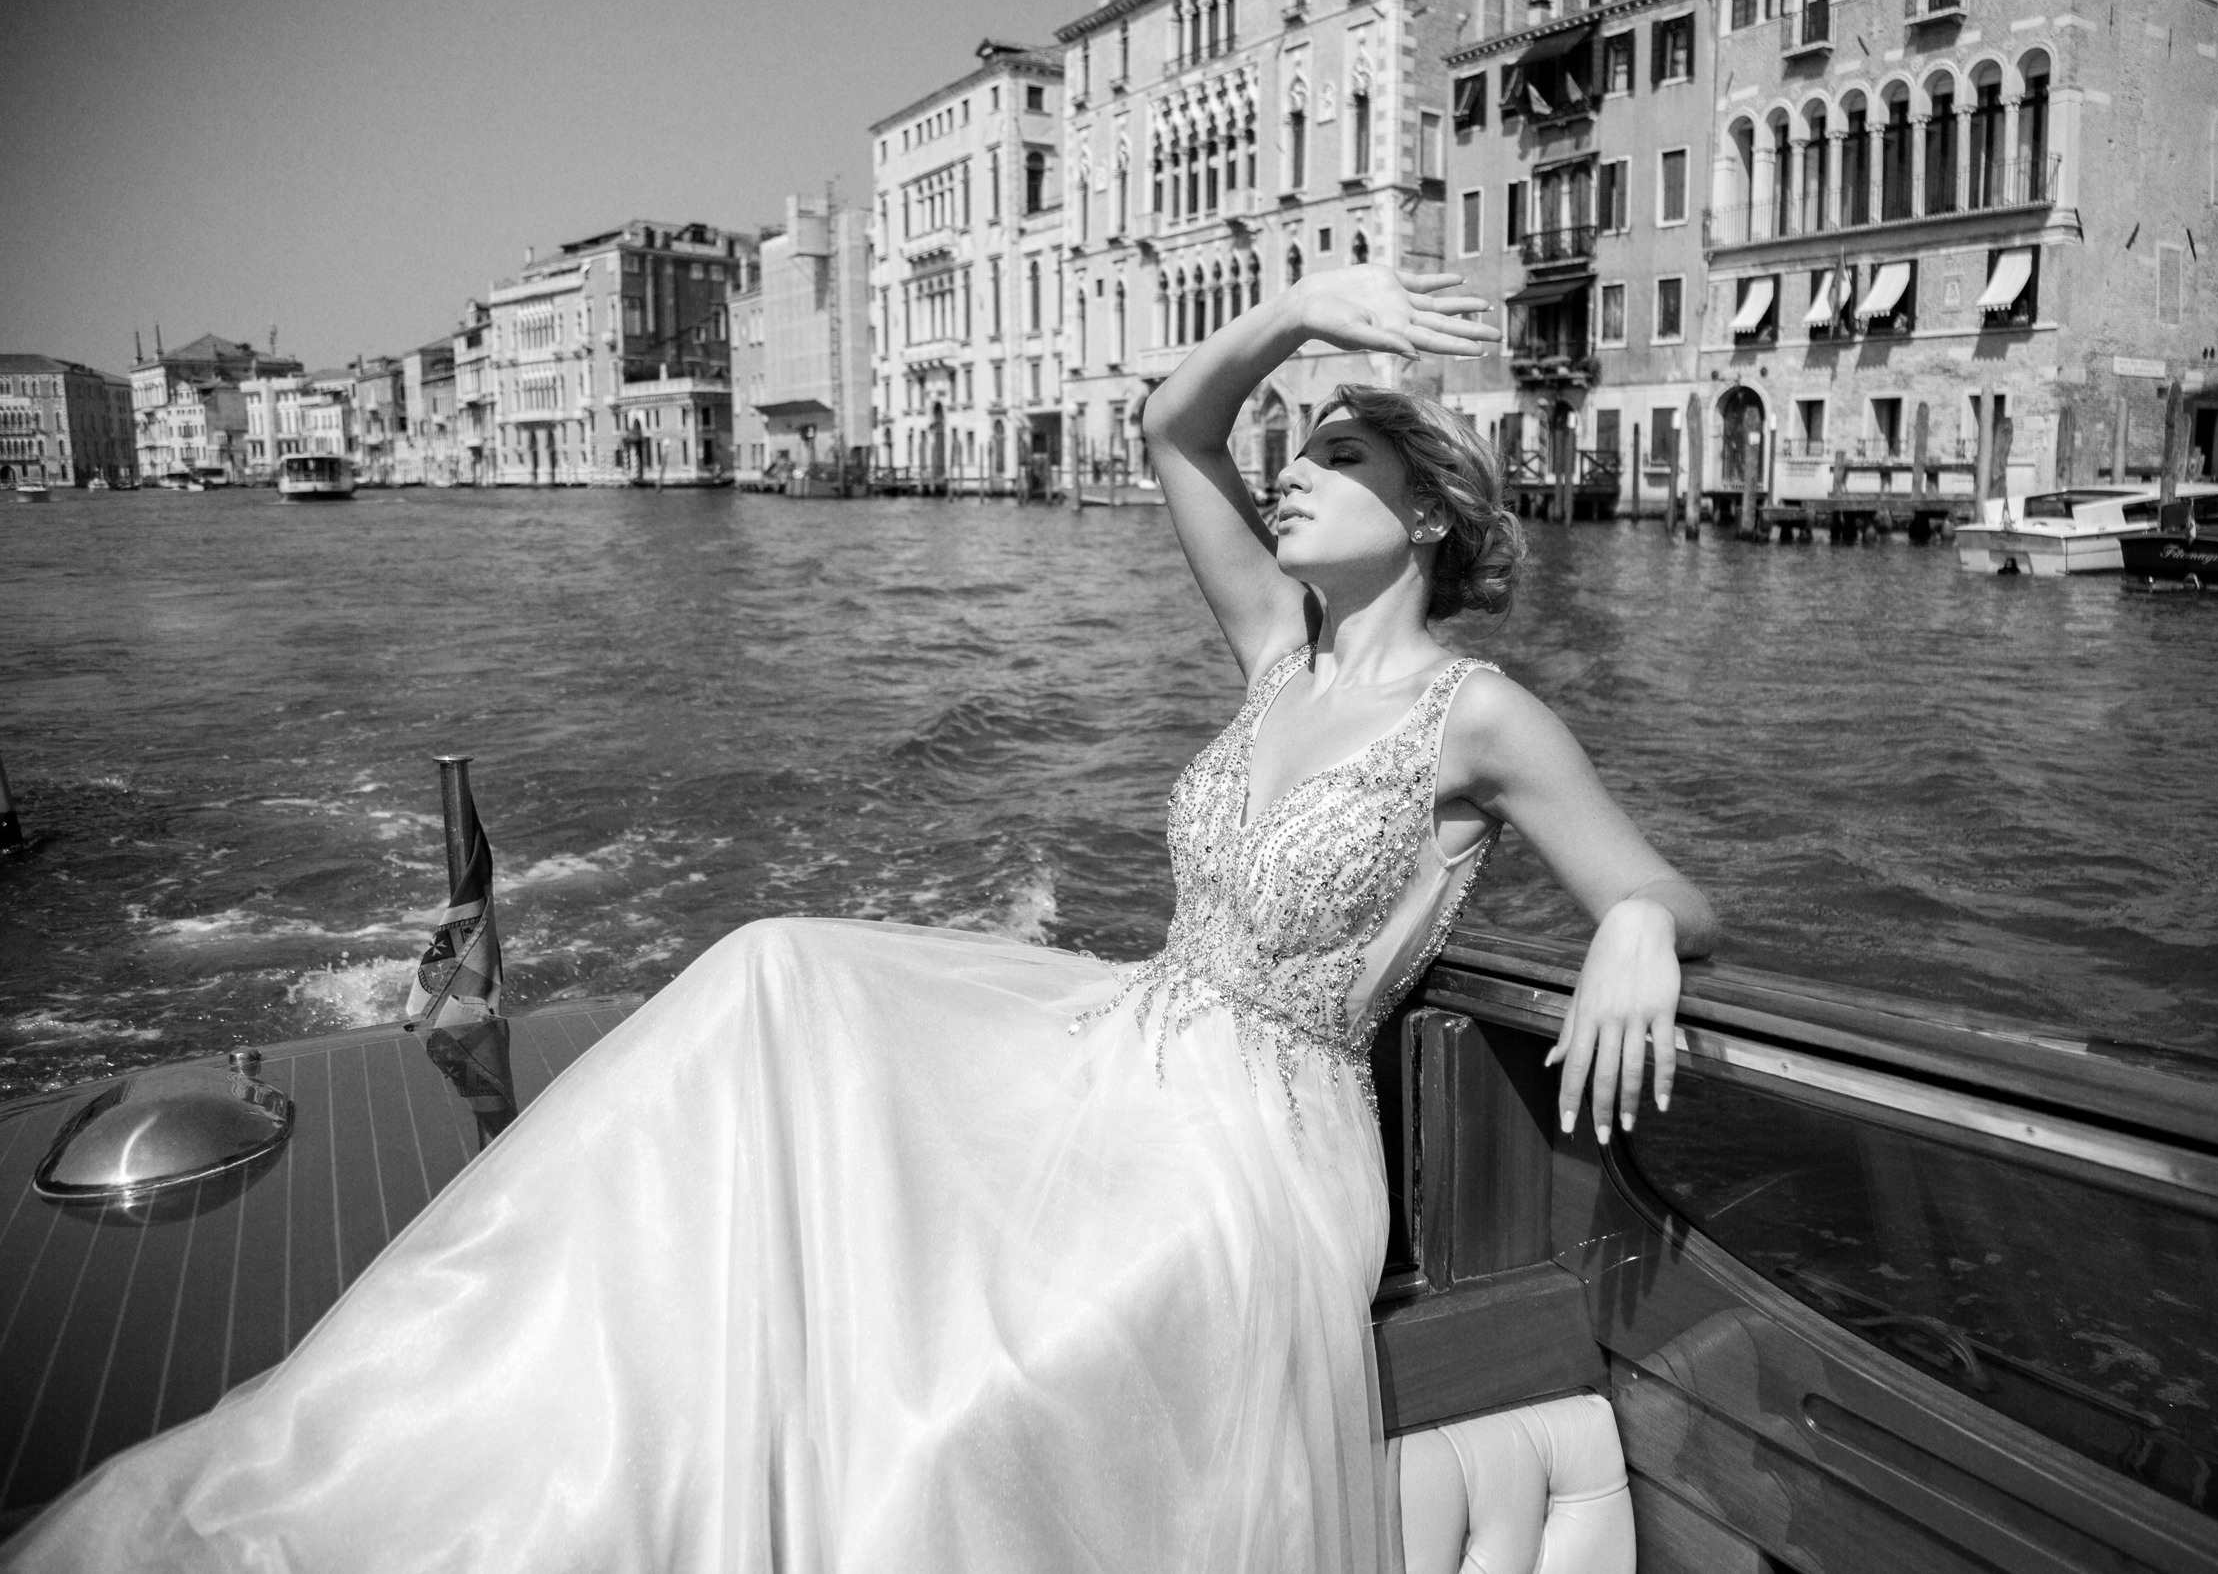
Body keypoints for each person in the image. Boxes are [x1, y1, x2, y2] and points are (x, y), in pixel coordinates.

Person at [3, 266, 1717, 1573]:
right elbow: (1168, 432)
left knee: (972, 1394)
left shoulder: (1475, 715)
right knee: (776, 977)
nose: (1288, 473)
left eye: (1332, 457)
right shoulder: (1278, 648)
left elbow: (1656, 881)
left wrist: (1634, 923)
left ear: (1421, 511)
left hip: (1260, 1149)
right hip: (1123, 1038)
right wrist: (1288, 321)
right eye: (1296, 451)